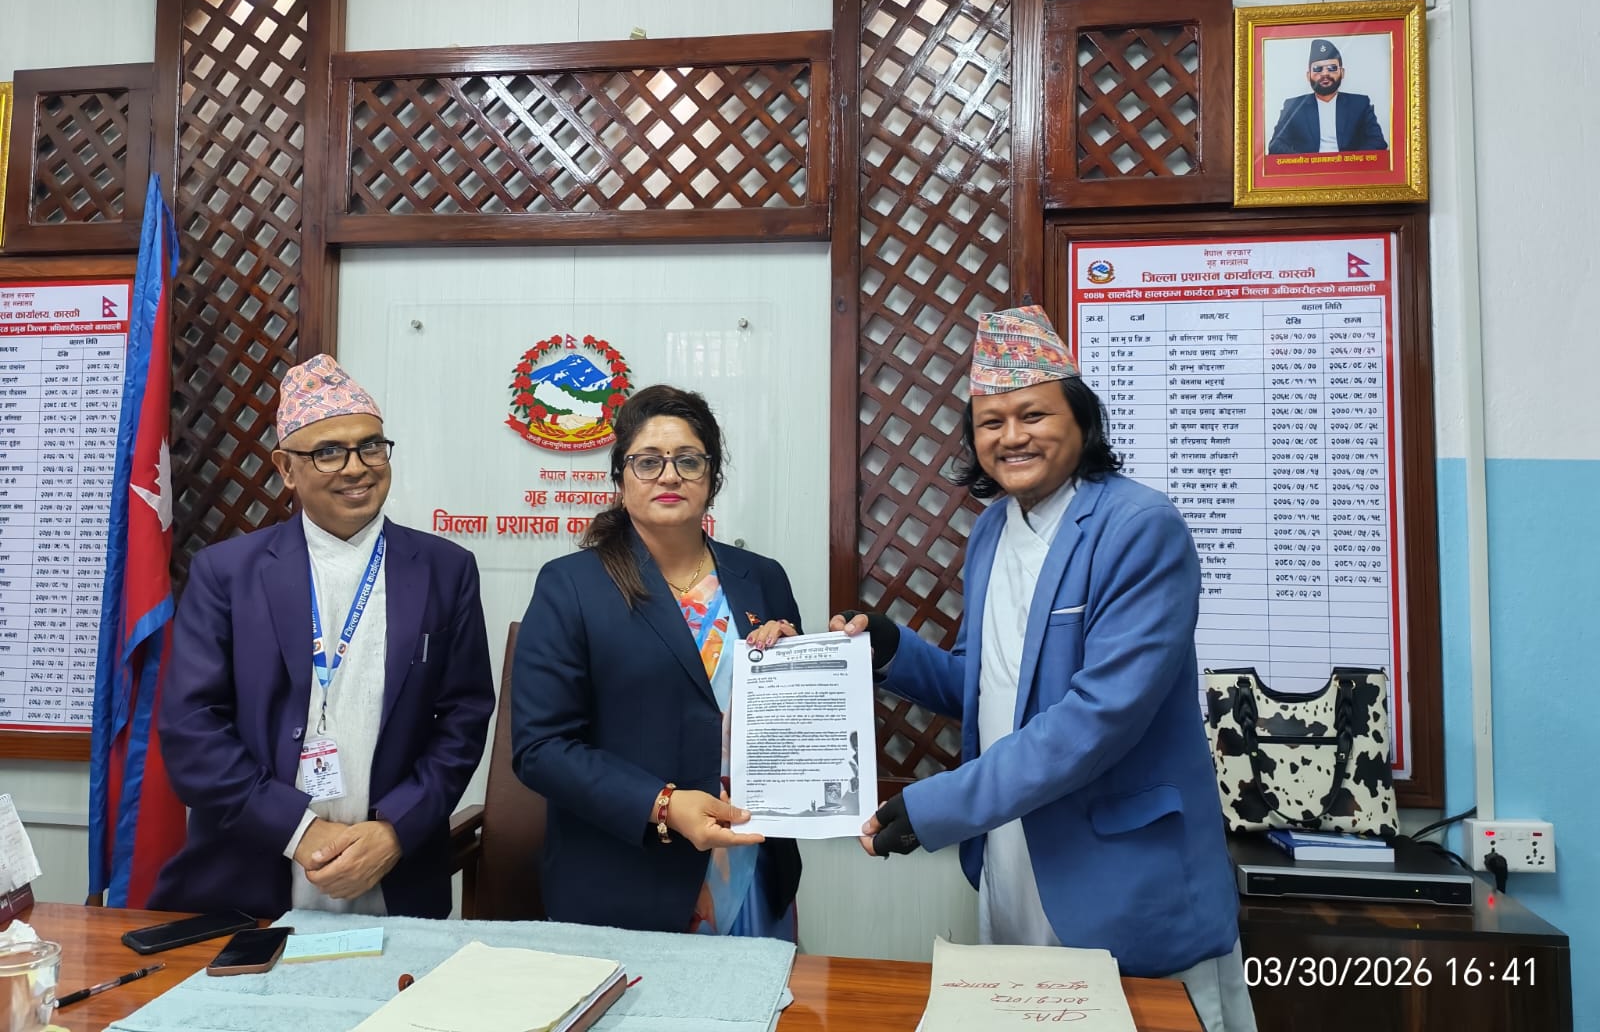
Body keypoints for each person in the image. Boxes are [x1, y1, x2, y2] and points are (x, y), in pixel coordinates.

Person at [834, 307, 1255, 1032]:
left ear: (1082, 422)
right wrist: (891, 650)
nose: (1012, 437)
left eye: (1033, 415)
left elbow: (1097, 720)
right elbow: (991, 687)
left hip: (1121, 881)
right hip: (1012, 862)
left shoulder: (1139, 528)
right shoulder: (991, 530)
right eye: (990, 422)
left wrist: (938, 807)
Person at [151, 355, 494, 918]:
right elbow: (192, 729)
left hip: (396, 874)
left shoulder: (444, 569)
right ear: (286, 468)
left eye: (371, 447)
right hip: (250, 876)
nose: (356, 468)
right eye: (329, 452)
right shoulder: (228, 574)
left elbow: (464, 717)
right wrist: (297, 829)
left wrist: (396, 829)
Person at [512, 384, 802, 936]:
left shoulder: (762, 578)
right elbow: (540, 750)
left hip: (755, 858)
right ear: (621, 479)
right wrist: (663, 804)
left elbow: (794, 725)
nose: (669, 476)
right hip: (629, 877)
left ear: (712, 478)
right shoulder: (570, 586)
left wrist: (799, 662)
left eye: (688, 461)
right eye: (648, 462)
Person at [1266, 37, 1387, 155]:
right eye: (1318, 69)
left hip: (1348, 166)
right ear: (1308, 75)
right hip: (1308, 167)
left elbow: (1377, 141)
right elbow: (1275, 145)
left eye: (1332, 68)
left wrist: (1351, 161)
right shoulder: (1293, 106)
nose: (1325, 73)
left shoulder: (1360, 104)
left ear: (1342, 72)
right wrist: (1305, 162)